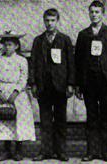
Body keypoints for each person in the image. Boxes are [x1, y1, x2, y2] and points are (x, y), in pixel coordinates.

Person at [74, 1, 107, 162]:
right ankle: (91, 151)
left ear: (103, 14)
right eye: (92, 12)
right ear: (89, 13)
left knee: (106, 118)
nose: (94, 14)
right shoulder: (83, 34)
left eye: (98, 12)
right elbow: (78, 61)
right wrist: (79, 85)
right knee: (92, 117)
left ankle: (106, 152)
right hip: (89, 83)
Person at [31, 8, 75, 162]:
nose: (49, 23)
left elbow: (71, 63)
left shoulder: (65, 40)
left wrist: (70, 84)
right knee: (45, 121)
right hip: (44, 86)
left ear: (57, 21)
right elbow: (34, 63)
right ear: (44, 21)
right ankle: (46, 151)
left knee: (61, 120)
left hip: (60, 86)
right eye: (47, 20)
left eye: (52, 20)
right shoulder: (38, 40)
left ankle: (61, 151)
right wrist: (33, 84)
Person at [0, 30, 36, 161]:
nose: (7, 47)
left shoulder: (22, 60)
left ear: (16, 46)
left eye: (10, 44)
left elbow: (23, 78)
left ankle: (18, 150)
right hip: (2, 92)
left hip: (17, 94)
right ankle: (6, 150)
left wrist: (15, 92)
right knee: (4, 120)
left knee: (18, 121)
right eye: (5, 44)